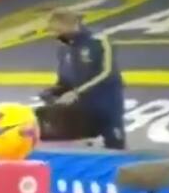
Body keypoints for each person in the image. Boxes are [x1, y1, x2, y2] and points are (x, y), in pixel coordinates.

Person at [36, 10, 126, 150]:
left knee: (114, 142)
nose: (55, 34)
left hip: (106, 100)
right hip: (81, 104)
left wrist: (76, 92)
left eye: (58, 30)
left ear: (71, 25)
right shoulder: (64, 47)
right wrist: (54, 91)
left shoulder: (98, 40)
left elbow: (106, 72)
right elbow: (65, 78)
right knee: (78, 142)